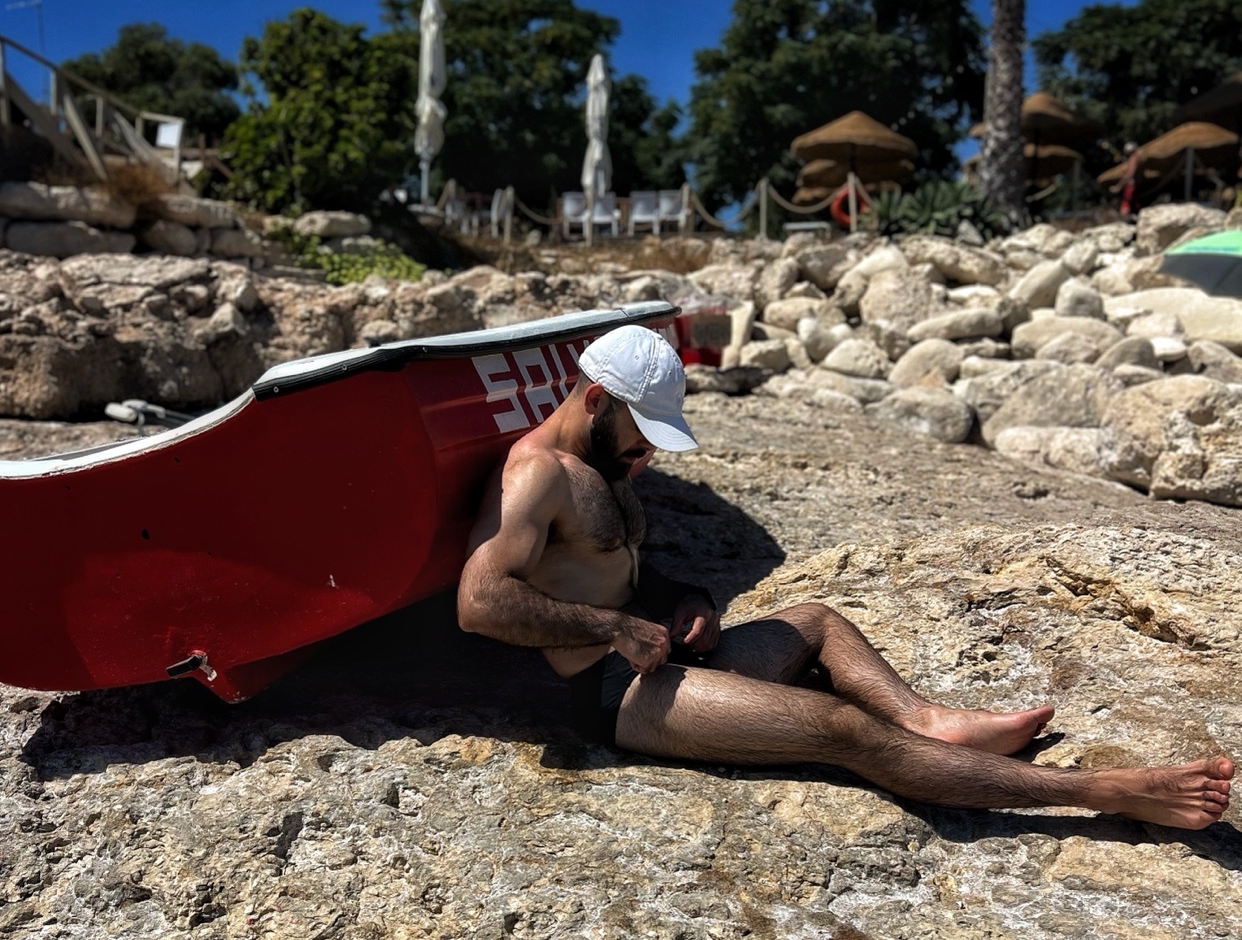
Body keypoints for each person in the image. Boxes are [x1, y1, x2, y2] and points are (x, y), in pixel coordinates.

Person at [458, 325, 1232, 832]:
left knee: (819, 620)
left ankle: (928, 722)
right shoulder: (538, 474)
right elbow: (479, 600)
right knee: (841, 731)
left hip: (657, 655)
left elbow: (612, 569)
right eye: (641, 434)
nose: (648, 455)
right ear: (596, 400)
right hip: (611, 692)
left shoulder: (604, 460)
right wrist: (614, 629)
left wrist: (679, 601)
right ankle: (1104, 792)